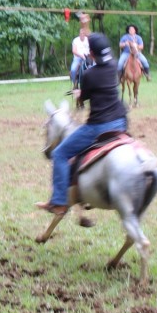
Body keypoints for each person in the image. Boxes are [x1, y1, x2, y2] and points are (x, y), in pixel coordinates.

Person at [37, 33, 128, 217]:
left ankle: (59, 202)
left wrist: (80, 93)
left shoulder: (89, 74)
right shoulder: (114, 65)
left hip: (99, 126)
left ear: (91, 53)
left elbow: (83, 98)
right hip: (120, 122)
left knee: (60, 154)